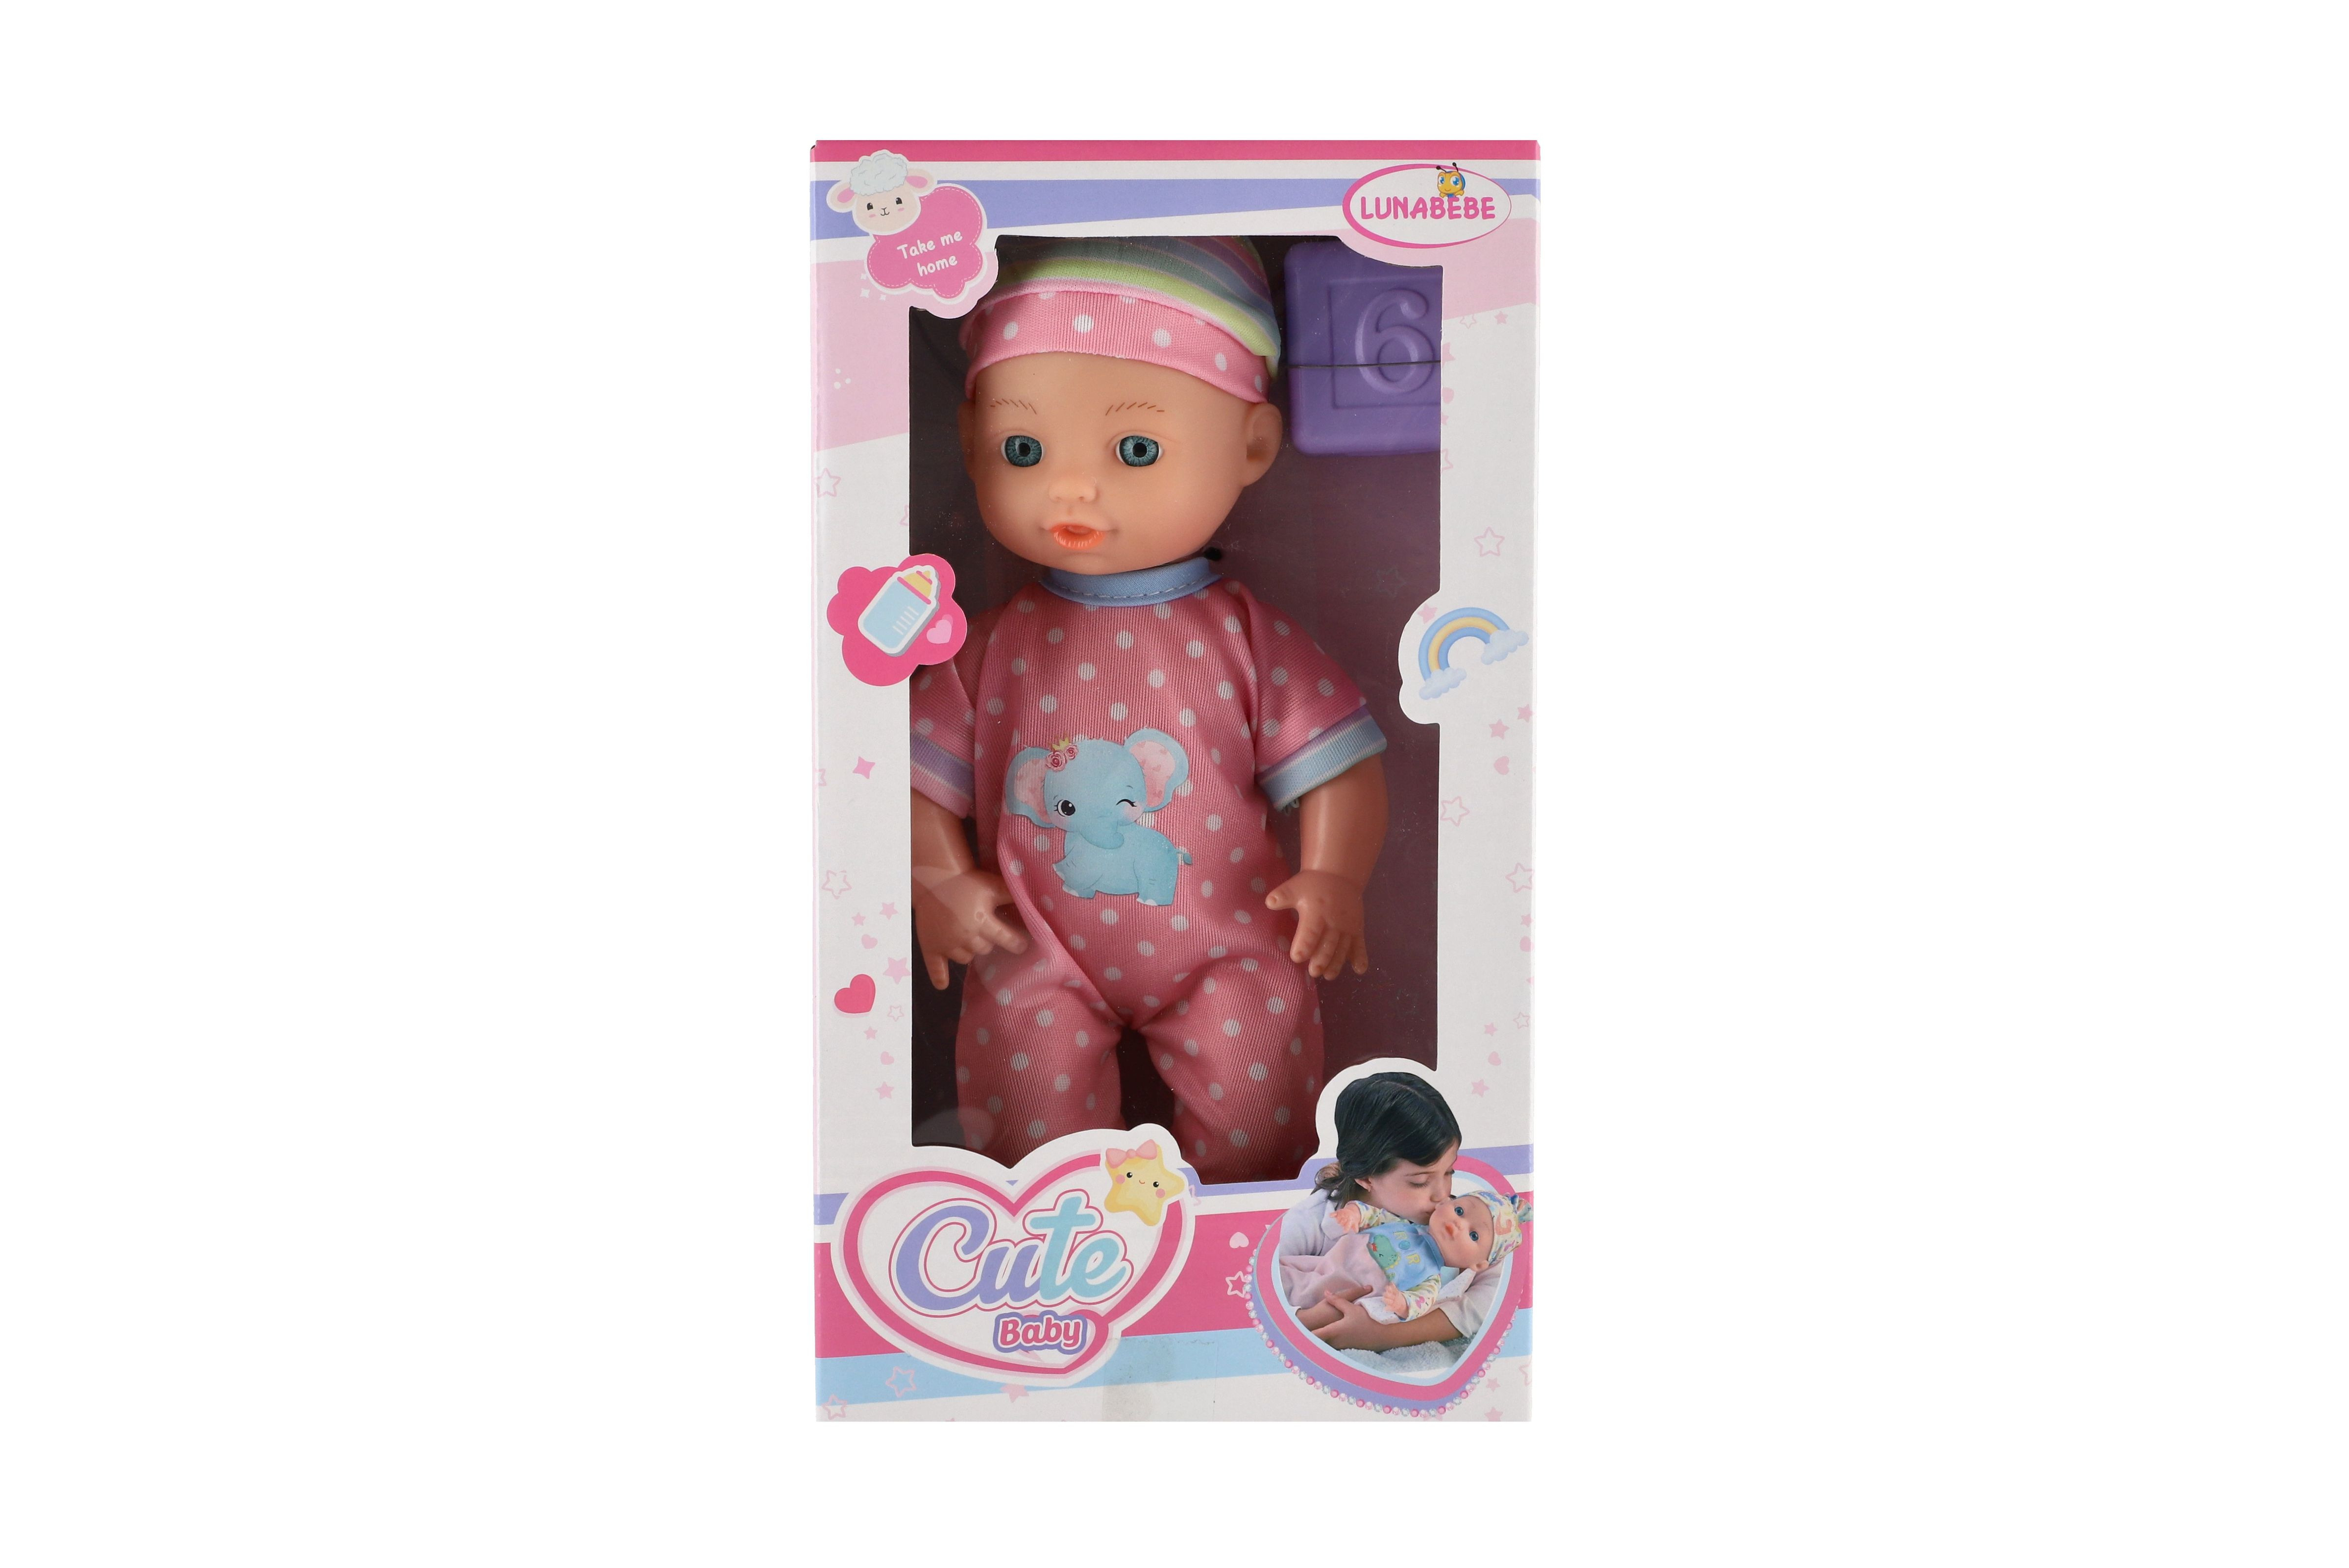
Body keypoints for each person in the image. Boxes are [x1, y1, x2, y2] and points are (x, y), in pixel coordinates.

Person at [907, 236, 1390, 1182]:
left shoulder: (1246, 636)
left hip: (1227, 941)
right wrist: (939, 880)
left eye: (1136, 451)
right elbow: (918, 783)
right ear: (970, 445)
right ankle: (1056, 1244)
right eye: (1021, 449)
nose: (1070, 486)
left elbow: (1339, 762)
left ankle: (1238, 1238)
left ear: (1251, 446)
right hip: (1035, 948)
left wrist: (1334, 874)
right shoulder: (986, 649)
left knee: (1258, 1129)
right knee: (1027, 1140)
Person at [1275, 1073, 1505, 1354]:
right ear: (1366, 1177)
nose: (1442, 1194)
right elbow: (1250, 1300)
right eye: (1420, 1181)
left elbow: (1495, 1296)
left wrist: (1383, 1335)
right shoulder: (1313, 1220)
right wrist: (1311, 1319)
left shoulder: (1461, 1219)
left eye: (1449, 1172)